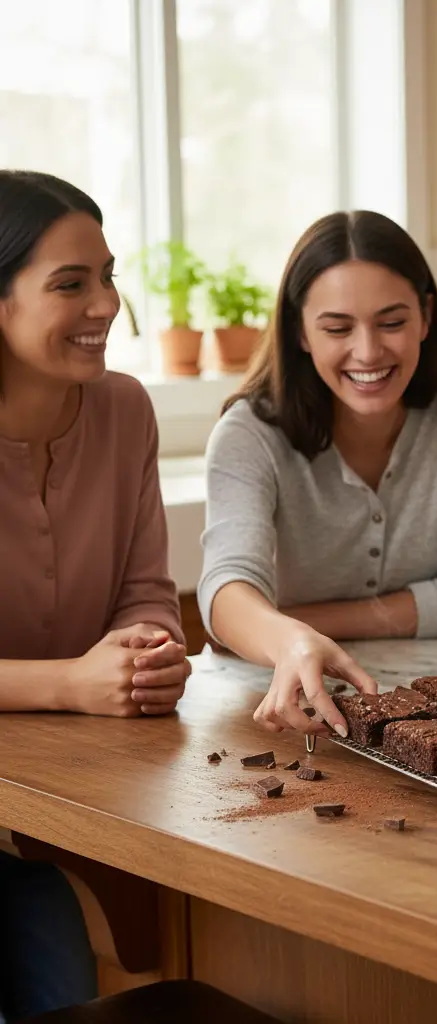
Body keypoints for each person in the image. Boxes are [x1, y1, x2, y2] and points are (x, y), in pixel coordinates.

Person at [199, 210, 437, 739]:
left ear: (425, 316)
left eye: (392, 322)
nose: (368, 351)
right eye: (337, 328)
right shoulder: (248, 432)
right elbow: (226, 591)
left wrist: (303, 621)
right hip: (286, 707)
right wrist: (290, 641)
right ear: (300, 332)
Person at [0, 170, 189, 1019]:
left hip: (48, 824)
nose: (106, 304)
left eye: (107, 276)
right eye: (69, 284)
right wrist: (73, 684)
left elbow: (147, 591)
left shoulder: (124, 412)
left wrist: (146, 651)